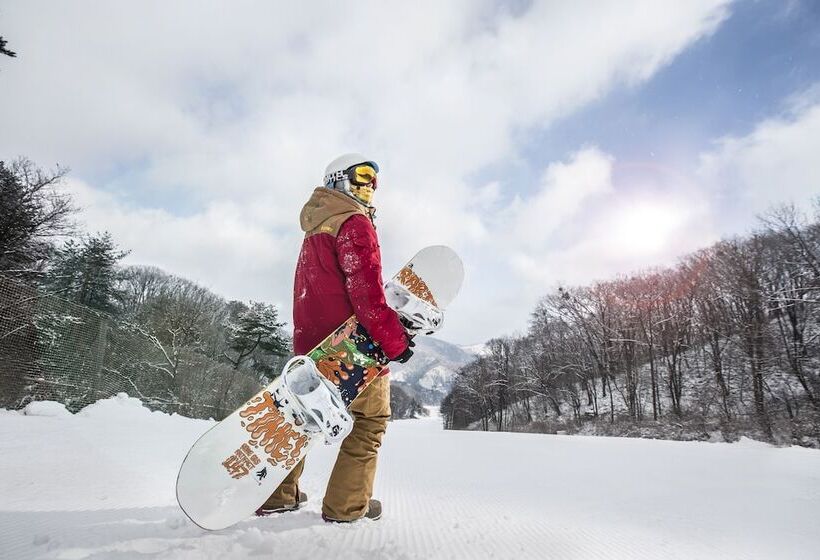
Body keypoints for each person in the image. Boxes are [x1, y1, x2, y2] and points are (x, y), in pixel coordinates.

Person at [256, 153, 414, 522]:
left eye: (374, 181)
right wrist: (395, 343)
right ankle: (347, 507)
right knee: (370, 422)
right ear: (337, 180)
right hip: (353, 347)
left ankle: (280, 495)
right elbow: (368, 296)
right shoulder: (354, 222)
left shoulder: (316, 228)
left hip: (312, 346)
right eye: (362, 177)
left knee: (302, 417)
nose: (369, 186)